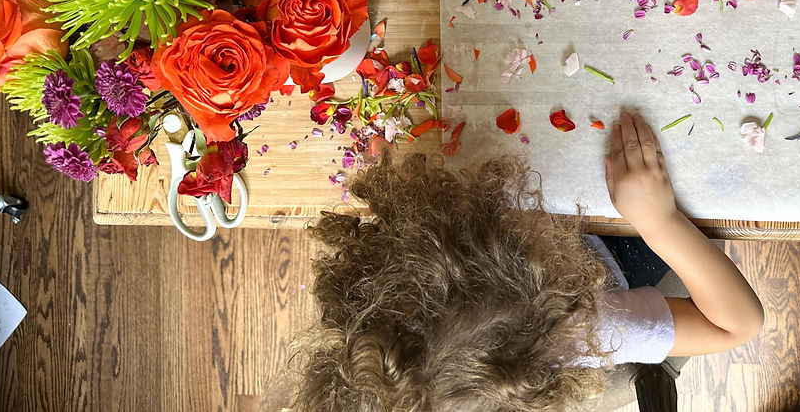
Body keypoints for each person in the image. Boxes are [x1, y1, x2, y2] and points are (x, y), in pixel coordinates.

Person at [292, 112, 764, 412]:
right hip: (611, 269)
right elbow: (736, 325)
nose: (531, 218)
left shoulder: (384, 292)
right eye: (523, 244)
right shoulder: (570, 331)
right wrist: (660, 221)